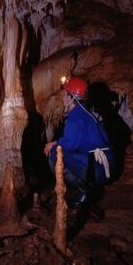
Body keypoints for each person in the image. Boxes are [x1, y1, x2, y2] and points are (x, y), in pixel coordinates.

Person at [45, 77, 116, 208]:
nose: (63, 97)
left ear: (72, 98)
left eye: (66, 94)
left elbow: (70, 145)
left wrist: (54, 144)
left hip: (98, 168)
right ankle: (87, 190)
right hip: (106, 165)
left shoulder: (75, 117)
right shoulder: (84, 112)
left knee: (55, 154)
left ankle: (86, 192)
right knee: (60, 150)